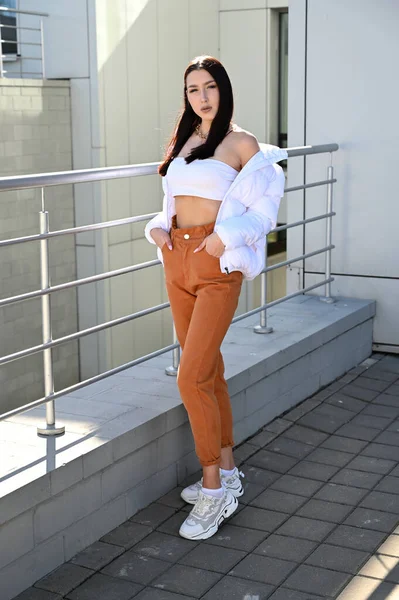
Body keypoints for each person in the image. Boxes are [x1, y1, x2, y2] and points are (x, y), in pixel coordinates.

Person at [145, 55, 287, 540]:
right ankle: (227, 469)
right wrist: (159, 229)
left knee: (190, 377)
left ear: (223, 90)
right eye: (192, 90)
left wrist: (223, 238)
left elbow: (265, 214)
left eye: (209, 87)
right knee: (208, 370)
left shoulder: (242, 144)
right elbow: (170, 202)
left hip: (214, 262)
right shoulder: (184, 142)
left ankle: (212, 490)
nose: (201, 97)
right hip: (177, 260)